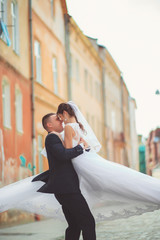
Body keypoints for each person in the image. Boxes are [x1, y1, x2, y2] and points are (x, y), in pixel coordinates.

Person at [1, 101, 160, 224]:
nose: (60, 121)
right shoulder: (76, 126)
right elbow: (82, 146)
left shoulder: (68, 129)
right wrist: (80, 147)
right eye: (57, 119)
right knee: (116, 177)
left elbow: (68, 151)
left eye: (60, 117)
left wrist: (75, 148)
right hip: (83, 160)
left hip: (79, 162)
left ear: (64, 113)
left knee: (112, 180)